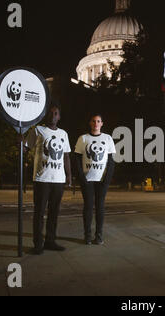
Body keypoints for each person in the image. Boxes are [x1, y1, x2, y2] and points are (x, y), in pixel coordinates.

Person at [25, 104, 72, 255]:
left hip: (58, 179)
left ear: (59, 117)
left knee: (54, 212)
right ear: (46, 115)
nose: (53, 115)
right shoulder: (37, 130)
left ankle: (50, 241)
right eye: (51, 113)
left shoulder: (64, 134)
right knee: (39, 212)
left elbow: (66, 156)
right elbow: (25, 148)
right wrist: (20, 142)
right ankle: (38, 244)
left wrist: (69, 176)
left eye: (56, 113)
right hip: (42, 179)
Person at [75, 114, 116, 245]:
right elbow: (76, 159)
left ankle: (98, 236)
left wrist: (107, 179)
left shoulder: (108, 138)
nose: (96, 123)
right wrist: (81, 177)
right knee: (88, 206)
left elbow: (111, 162)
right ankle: (87, 236)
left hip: (102, 180)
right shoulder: (83, 138)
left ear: (102, 124)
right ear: (90, 123)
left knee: (100, 207)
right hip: (87, 179)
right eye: (93, 121)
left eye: (98, 121)